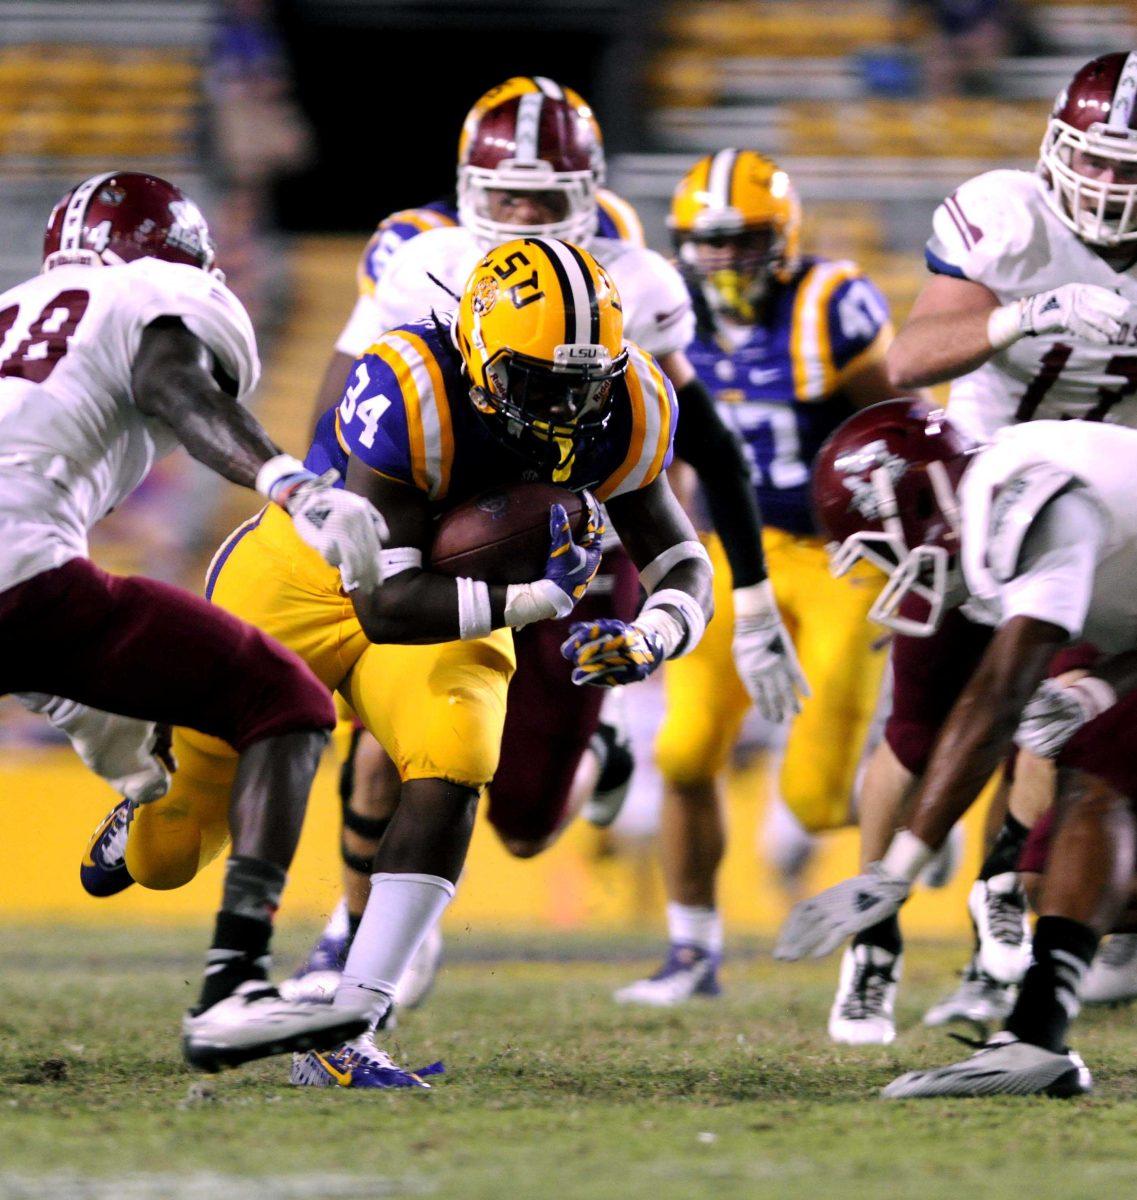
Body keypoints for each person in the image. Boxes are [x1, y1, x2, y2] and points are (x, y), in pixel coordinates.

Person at [85, 237, 716, 1088]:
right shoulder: (409, 383)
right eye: (541, 384)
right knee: (170, 859)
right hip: (308, 583)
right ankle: (145, 811)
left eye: (585, 385)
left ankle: (353, 1019)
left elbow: (681, 560)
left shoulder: (632, 401)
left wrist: (654, 635)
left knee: (457, 757)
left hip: (454, 606)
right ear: (478, 350)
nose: (569, 410)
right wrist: (532, 602)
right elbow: (384, 605)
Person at [280, 80, 800, 1008]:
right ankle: (348, 934)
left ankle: (598, 758)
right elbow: (350, 401)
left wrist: (695, 592)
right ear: (467, 185)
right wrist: (328, 503)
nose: (523, 215)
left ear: (589, 189)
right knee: (382, 734)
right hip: (448, 528)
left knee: (523, 825)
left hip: (570, 542)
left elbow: (692, 449)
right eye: (504, 194)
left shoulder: (630, 285)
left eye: (545, 196)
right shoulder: (417, 256)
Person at [0, 170, 388, 1069]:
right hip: (22, 571)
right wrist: (292, 486)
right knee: (283, 699)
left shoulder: (17, 308)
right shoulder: (151, 294)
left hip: (25, 582)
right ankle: (234, 985)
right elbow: (175, 380)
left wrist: (61, 693)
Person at [822, 48, 1137, 1042]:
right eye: (1095, 159)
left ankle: (1003, 888)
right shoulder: (1008, 213)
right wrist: (1025, 313)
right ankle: (874, 932)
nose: (1108, 184)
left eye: (1132, 168)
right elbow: (907, 358)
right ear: (1055, 147)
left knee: (1052, 717)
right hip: (980, 494)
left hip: (1100, 512)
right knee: (920, 728)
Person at [614, 150, 910, 1009]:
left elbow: (891, 424)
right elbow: (658, 446)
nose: (719, 262)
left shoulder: (830, 305)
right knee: (681, 752)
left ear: (778, 239)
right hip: (724, 552)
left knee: (817, 801)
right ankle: (691, 951)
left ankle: (920, 802)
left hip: (831, 558)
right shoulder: (663, 311)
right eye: (703, 245)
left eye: (739, 242)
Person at [777, 398, 1137, 1097]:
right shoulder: (1009, 482)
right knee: (1065, 862)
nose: (887, 569)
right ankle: (1035, 1039)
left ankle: (1034, 1039)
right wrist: (1096, 690)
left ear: (916, 500)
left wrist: (898, 868)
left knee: (1094, 789)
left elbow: (995, 701)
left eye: (879, 542)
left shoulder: (1025, 499)